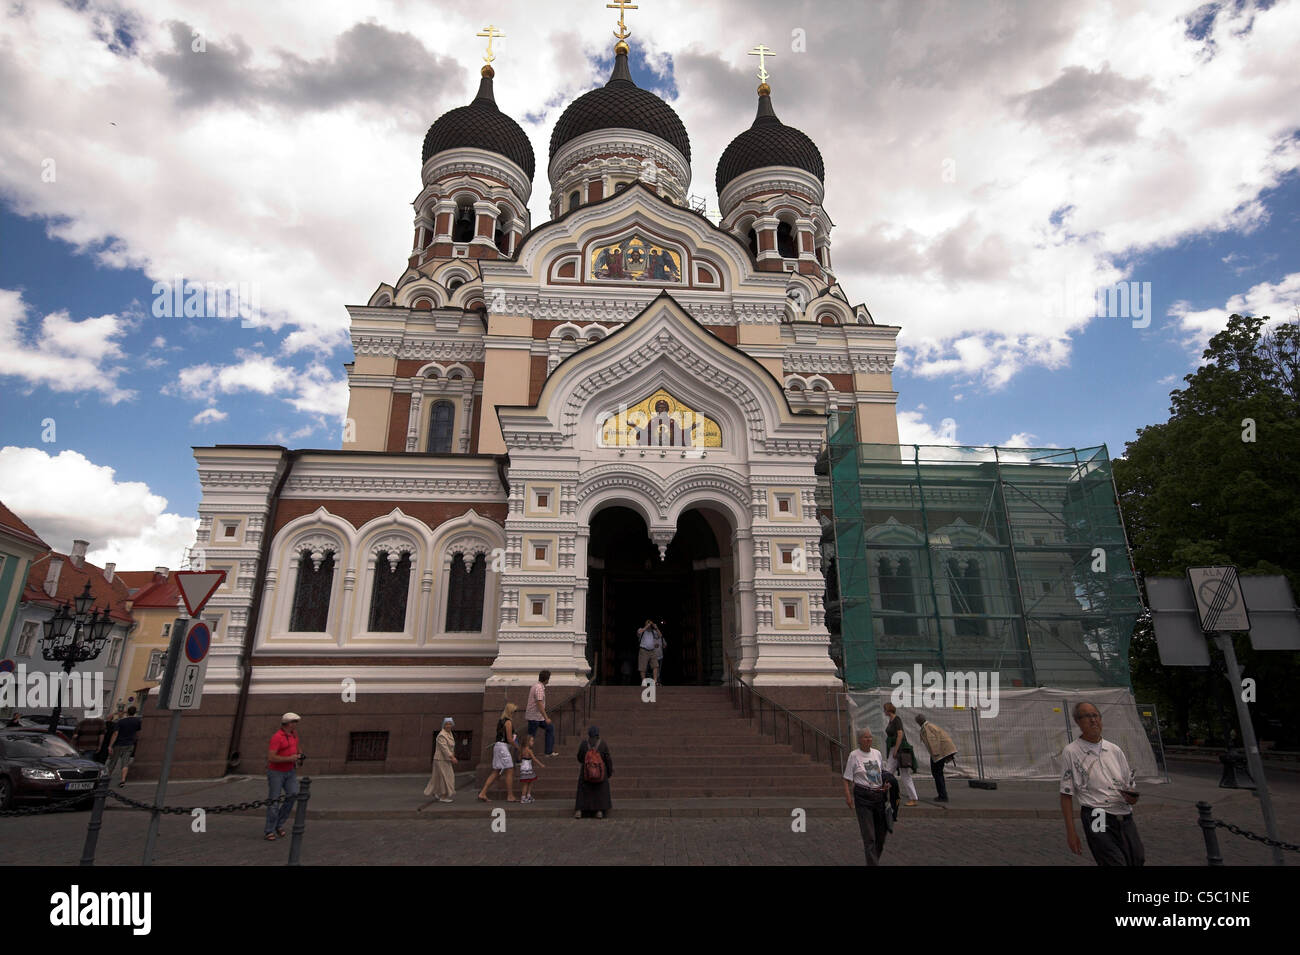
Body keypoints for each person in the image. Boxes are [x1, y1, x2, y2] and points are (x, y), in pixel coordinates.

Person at [1060, 701, 1144, 866]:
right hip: (1096, 815)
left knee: (1137, 859)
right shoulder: (1071, 752)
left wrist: (1132, 797)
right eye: (1086, 716)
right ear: (1077, 721)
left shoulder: (1115, 750)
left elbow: (1129, 784)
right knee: (1113, 862)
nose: (1093, 720)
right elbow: (1065, 795)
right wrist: (1071, 832)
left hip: (1124, 815)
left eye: (1095, 715)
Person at [843, 729, 890, 865]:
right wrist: (848, 796)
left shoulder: (877, 754)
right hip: (863, 797)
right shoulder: (854, 755)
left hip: (878, 796)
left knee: (880, 836)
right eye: (865, 737)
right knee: (869, 837)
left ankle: (873, 860)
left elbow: (880, 774)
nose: (868, 739)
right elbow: (846, 778)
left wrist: (885, 785)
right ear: (859, 740)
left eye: (870, 737)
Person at [265, 712, 304, 841]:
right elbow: (271, 757)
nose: (295, 725)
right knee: (274, 801)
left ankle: (279, 824)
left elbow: (297, 748)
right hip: (276, 772)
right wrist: (289, 758)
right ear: (287, 723)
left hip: (290, 771)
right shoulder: (277, 737)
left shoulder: (294, 735)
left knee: (292, 795)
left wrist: (299, 756)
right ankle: (269, 830)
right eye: (294, 722)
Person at [478, 702, 518, 802]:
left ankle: (483, 793)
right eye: (514, 711)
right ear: (510, 711)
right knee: (510, 770)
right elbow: (509, 739)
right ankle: (510, 796)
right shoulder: (508, 722)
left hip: (498, 746)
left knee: (496, 771)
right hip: (503, 747)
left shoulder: (501, 721)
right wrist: (518, 747)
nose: (515, 714)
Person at [882, 701, 919, 808]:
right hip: (894, 749)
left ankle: (913, 798)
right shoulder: (892, 720)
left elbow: (900, 734)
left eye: (885, 709)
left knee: (903, 775)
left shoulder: (896, 719)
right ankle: (883, 794)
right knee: (888, 773)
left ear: (888, 710)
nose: (884, 711)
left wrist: (895, 749)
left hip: (898, 749)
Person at [915, 713, 958, 802]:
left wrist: (935, 755)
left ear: (919, 722)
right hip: (941, 751)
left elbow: (933, 742)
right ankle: (942, 794)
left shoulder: (926, 728)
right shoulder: (929, 726)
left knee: (937, 774)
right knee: (938, 773)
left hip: (938, 753)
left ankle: (942, 796)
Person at [574, 726, 613, 819]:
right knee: (600, 789)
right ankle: (599, 811)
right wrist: (609, 771)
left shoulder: (584, 744)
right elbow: (608, 759)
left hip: (586, 772)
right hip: (600, 773)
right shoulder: (602, 744)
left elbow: (579, 757)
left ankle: (579, 810)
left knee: (583, 790)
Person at [105, 705, 143, 786]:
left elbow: (115, 733)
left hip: (118, 744)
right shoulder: (138, 721)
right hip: (129, 744)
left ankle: (106, 778)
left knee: (113, 762)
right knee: (125, 762)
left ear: (127, 712)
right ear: (135, 712)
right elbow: (138, 733)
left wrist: (110, 745)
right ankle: (123, 780)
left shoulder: (121, 721)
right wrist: (135, 740)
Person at [424, 717, 458, 802]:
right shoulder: (442, 735)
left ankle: (436, 792)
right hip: (441, 760)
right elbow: (444, 748)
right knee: (446, 778)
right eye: (446, 724)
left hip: (444, 760)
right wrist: (452, 757)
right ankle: (443, 796)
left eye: (450, 724)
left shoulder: (449, 733)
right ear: (443, 725)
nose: (448, 726)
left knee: (438, 777)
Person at [526, 670, 559, 757]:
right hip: (535, 717)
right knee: (530, 737)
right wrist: (546, 718)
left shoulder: (536, 686)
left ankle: (548, 752)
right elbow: (539, 704)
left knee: (550, 728)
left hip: (537, 717)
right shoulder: (539, 688)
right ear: (546, 679)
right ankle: (523, 757)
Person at [518, 736, 545, 804]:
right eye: (531, 741)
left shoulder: (522, 749)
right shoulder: (529, 750)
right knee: (526, 783)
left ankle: (528, 795)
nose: (533, 742)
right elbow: (534, 758)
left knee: (530, 781)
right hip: (527, 767)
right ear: (527, 742)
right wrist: (541, 764)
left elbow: (519, 758)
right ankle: (523, 797)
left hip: (524, 766)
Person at [636, 620, 661, 685]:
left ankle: (655, 681)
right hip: (643, 650)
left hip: (652, 650)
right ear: (645, 624)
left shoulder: (653, 632)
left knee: (655, 665)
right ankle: (644, 682)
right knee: (642, 667)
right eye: (648, 623)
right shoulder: (641, 630)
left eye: (650, 624)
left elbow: (660, 635)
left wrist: (656, 628)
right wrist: (646, 626)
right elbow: (639, 632)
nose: (649, 625)